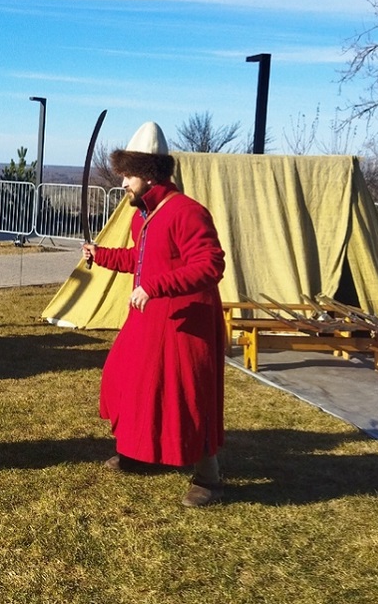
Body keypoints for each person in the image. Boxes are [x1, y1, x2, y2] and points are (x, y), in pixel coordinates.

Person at [81, 121, 227, 507]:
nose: (124, 184)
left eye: (128, 176)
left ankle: (208, 477)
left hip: (187, 323)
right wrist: (103, 255)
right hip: (149, 318)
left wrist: (158, 287)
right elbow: (141, 260)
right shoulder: (142, 216)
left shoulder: (186, 212)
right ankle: (138, 451)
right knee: (126, 379)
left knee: (187, 396)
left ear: (148, 175)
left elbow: (211, 264)